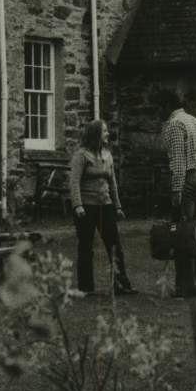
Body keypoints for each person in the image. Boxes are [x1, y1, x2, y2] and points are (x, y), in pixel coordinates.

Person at [69, 119, 135, 296]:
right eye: (104, 131)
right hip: (86, 208)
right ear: (95, 134)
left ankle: (121, 285)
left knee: (114, 245)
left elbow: (112, 184)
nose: (107, 134)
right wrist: (78, 205)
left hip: (105, 206)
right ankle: (85, 288)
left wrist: (118, 206)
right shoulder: (81, 155)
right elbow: (74, 182)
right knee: (85, 246)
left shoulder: (108, 155)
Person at [161, 92, 196, 297]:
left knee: (182, 233)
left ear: (167, 106)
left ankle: (185, 286)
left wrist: (176, 189)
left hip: (189, 179)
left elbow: (179, 161)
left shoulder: (174, 124)